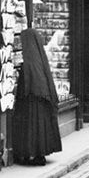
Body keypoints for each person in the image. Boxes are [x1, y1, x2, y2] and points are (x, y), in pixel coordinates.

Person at [13, 27, 62, 166]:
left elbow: (27, 84)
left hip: (32, 100)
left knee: (32, 127)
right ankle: (39, 154)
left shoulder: (29, 62)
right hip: (41, 99)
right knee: (40, 128)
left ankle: (32, 155)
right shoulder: (38, 58)